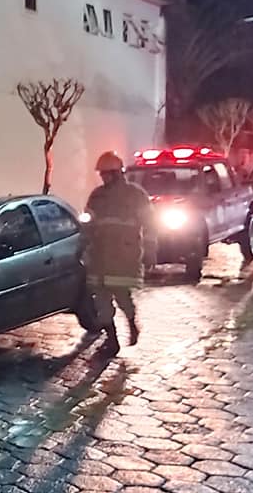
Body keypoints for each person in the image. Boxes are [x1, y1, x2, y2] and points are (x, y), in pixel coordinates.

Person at [83, 151, 156, 354]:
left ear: (118, 173)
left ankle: (132, 323)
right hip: (99, 255)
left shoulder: (136, 195)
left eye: (107, 174)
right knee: (101, 301)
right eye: (102, 174)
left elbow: (150, 223)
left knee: (123, 296)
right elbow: (88, 220)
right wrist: (83, 240)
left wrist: (150, 250)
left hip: (124, 256)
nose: (104, 178)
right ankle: (112, 340)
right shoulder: (97, 195)